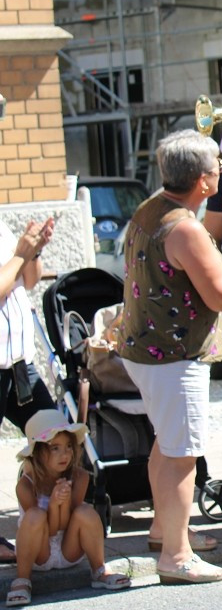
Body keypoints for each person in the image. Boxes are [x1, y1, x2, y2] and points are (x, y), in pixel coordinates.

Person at [118, 130, 222, 583]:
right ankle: (176, 554)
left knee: (165, 447)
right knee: (181, 455)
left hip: (146, 350)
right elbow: (221, 296)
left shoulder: (153, 208)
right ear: (205, 182)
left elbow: (193, 270)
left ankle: (164, 530)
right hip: (173, 355)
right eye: (217, 168)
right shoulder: (186, 226)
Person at [8, 409, 131, 606]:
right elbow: (46, 529)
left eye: (68, 446)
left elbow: (64, 526)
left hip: (69, 550)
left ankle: (99, 570)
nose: (64, 454)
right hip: (38, 554)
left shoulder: (80, 477)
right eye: (54, 448)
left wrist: (61, 503)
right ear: (37, 453)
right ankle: (22, 580)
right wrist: (54, 503)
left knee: (85, 511)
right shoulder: (26, 484)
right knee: (34, 515)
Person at [0, 215, 58, 564]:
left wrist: (34, 252)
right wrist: (21, 254)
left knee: (53, 433)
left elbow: (29, 281)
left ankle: (48, 519)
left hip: (18, 360)